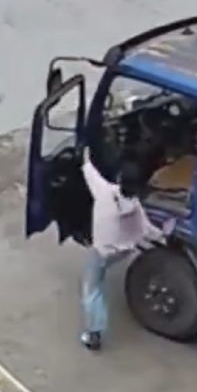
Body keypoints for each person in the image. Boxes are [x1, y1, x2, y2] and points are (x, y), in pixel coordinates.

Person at [78, 147, 170, 351]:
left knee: (92, 289)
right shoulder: (135, 206)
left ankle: (94, 334)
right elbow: (147, 230)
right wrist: (163, 237)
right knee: (101, 275)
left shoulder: (105, 193)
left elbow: (90, 172)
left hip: (102, 252)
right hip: (124, 251)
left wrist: (86, 157)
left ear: (119, 179)